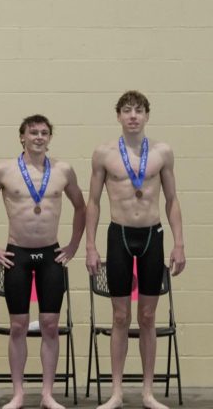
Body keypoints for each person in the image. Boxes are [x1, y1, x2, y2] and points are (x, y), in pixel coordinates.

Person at [85, 91, 185, 409]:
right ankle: (116, 392)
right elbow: (93, 202)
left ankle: (147, 392)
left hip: (152, 236)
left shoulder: (162, 152)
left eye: (138, 111)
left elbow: (172, 200)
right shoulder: (103, 153)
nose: (132, 116)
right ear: (118, 116)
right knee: (119, 316)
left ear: (146, 116)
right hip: (120, 236)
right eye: (127, 110)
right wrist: (90, 245)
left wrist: (179, 243)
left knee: (147, 316)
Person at [0, 114, 86, 409]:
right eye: (33, 132)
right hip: (18, 256)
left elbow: (81, 207)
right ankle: (18, 393)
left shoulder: (63, 170)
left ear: (49, 138)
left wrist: (74, 244)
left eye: (44, 133)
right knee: (18, 326)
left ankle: (47, 394)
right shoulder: (3, 170)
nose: (39, 137)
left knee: (50, 325)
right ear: (22, 137)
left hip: (50, 255)